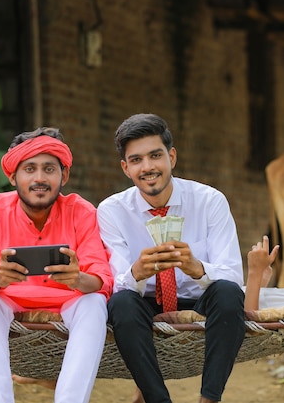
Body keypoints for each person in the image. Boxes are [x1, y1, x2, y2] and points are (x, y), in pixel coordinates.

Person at [0, 127, 113, 403]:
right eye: (30, 169)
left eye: (49, 169)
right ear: (13, 176)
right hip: (6, 299)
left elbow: (102, 278)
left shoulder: (81, 211)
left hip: (69, 300)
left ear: (64, 175)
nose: (40, 178)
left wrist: (78, 278)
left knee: (94, 303)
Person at [97, 113, 245, 403]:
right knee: (122, 303)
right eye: (137, 160)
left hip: (198, 301)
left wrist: (198, 269)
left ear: (172, 157)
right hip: (144, 303)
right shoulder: (111, 211)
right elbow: (115, 284)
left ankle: (209, 399)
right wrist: (137, 272)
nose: (148, 167)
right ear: (126, 168)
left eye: (156, 155)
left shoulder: (209, 201)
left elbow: (233, 276)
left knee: (227, 293)